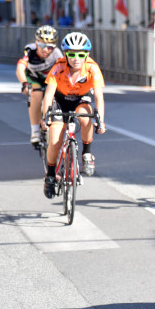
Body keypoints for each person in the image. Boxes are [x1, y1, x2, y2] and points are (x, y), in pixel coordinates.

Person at [41, 32, 106, 199]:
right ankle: (49, 176)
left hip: (81, 98)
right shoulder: (58, 67)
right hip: (60, 100)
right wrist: (46, 116)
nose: (76, 58)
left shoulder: (92, 68)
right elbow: (48, 94)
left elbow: (98, 96)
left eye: (81, 54)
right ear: (65, 54)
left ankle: (87, 153)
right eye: (71, 54)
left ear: (87, 55)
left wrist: (101, 120)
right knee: (55, 140)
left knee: (85, 117)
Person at [16, 25, 64, 146]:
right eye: (42, 45)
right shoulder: (29, 51)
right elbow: (20, 68)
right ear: (36, 43)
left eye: (50, 47)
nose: (46, 50)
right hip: (34, 77)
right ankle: (35, 131)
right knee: (36, 94)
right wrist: (24, 84)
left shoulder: (57, 54)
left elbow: (64, 71)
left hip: (50, 79)